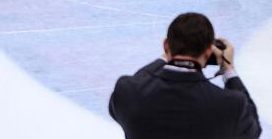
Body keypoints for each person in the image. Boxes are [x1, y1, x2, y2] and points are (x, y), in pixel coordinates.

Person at [109, 12, 261, 139]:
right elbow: (253, 132)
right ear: (208, 52)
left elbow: (136, 83)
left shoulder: (128, 91)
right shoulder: (230, 104)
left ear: (166, 45)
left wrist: (165, 57)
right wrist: (228, 68)